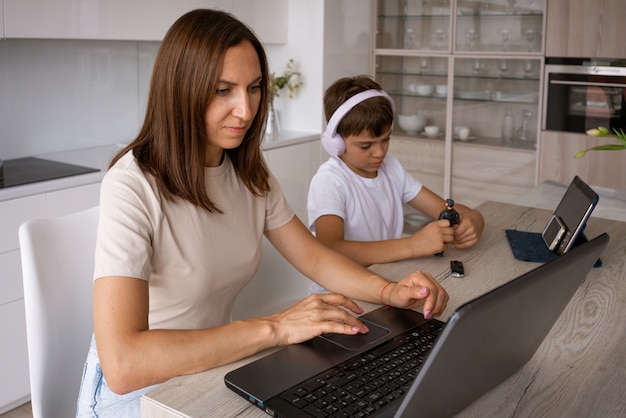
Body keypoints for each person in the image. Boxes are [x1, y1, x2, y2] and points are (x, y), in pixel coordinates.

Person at [76, 10, 448, 417]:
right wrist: (275, 327)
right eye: (223, 90)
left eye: (253, 88)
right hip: (136, 393)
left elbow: (314, 256)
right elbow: (124, 364)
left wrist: (387, 291)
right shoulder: (132, 185)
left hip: (210, 364)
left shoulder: (247, 170)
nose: (246, 110)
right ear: (180, 90)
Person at [307, 76, 484, 292]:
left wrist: (474, 219)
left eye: (386, 139)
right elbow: (330, 250)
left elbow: (442, 209)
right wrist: (413, 245)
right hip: (339, 293)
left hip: (387, 283)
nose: (380, 152)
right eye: (366, 146)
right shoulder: (329, 181)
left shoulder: (391, 168)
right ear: (335, 143)